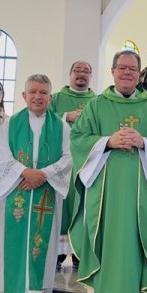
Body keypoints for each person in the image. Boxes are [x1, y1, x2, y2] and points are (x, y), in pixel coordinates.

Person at [69, 50, 147, 293]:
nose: (127, 72)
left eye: (132, 68)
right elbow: (78, 139)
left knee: (133, 249)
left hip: (138, 196)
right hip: (102, 194)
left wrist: (144, 142)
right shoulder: (96, 106)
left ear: (139, 74)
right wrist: (106, 142)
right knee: (101, 246)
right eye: (122, 67)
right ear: (113, 71)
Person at [0, 74, 72, 293]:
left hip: (45, 193)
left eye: (43, 92)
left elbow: (70, 157)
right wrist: (24, 172)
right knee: (12, 248)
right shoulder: (9, 124)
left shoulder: (61, 126)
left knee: (44, 249)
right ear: (24, 96)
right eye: (33, 92)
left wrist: (44, 174)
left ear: (50, 97)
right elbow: (1, 155)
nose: (38, 97)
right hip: (18, 191)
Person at [49, 60, 96, 271]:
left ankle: (79, 252)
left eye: (86, 72)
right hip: (59, 163)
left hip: (87, 164)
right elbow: (42, 118)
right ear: (69, 74)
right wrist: (67, 116)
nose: (81, 74)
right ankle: (57, 254)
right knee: (60, 206)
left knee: (83, 207)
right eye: (77, 70)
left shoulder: (97, 101)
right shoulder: (56, 99)